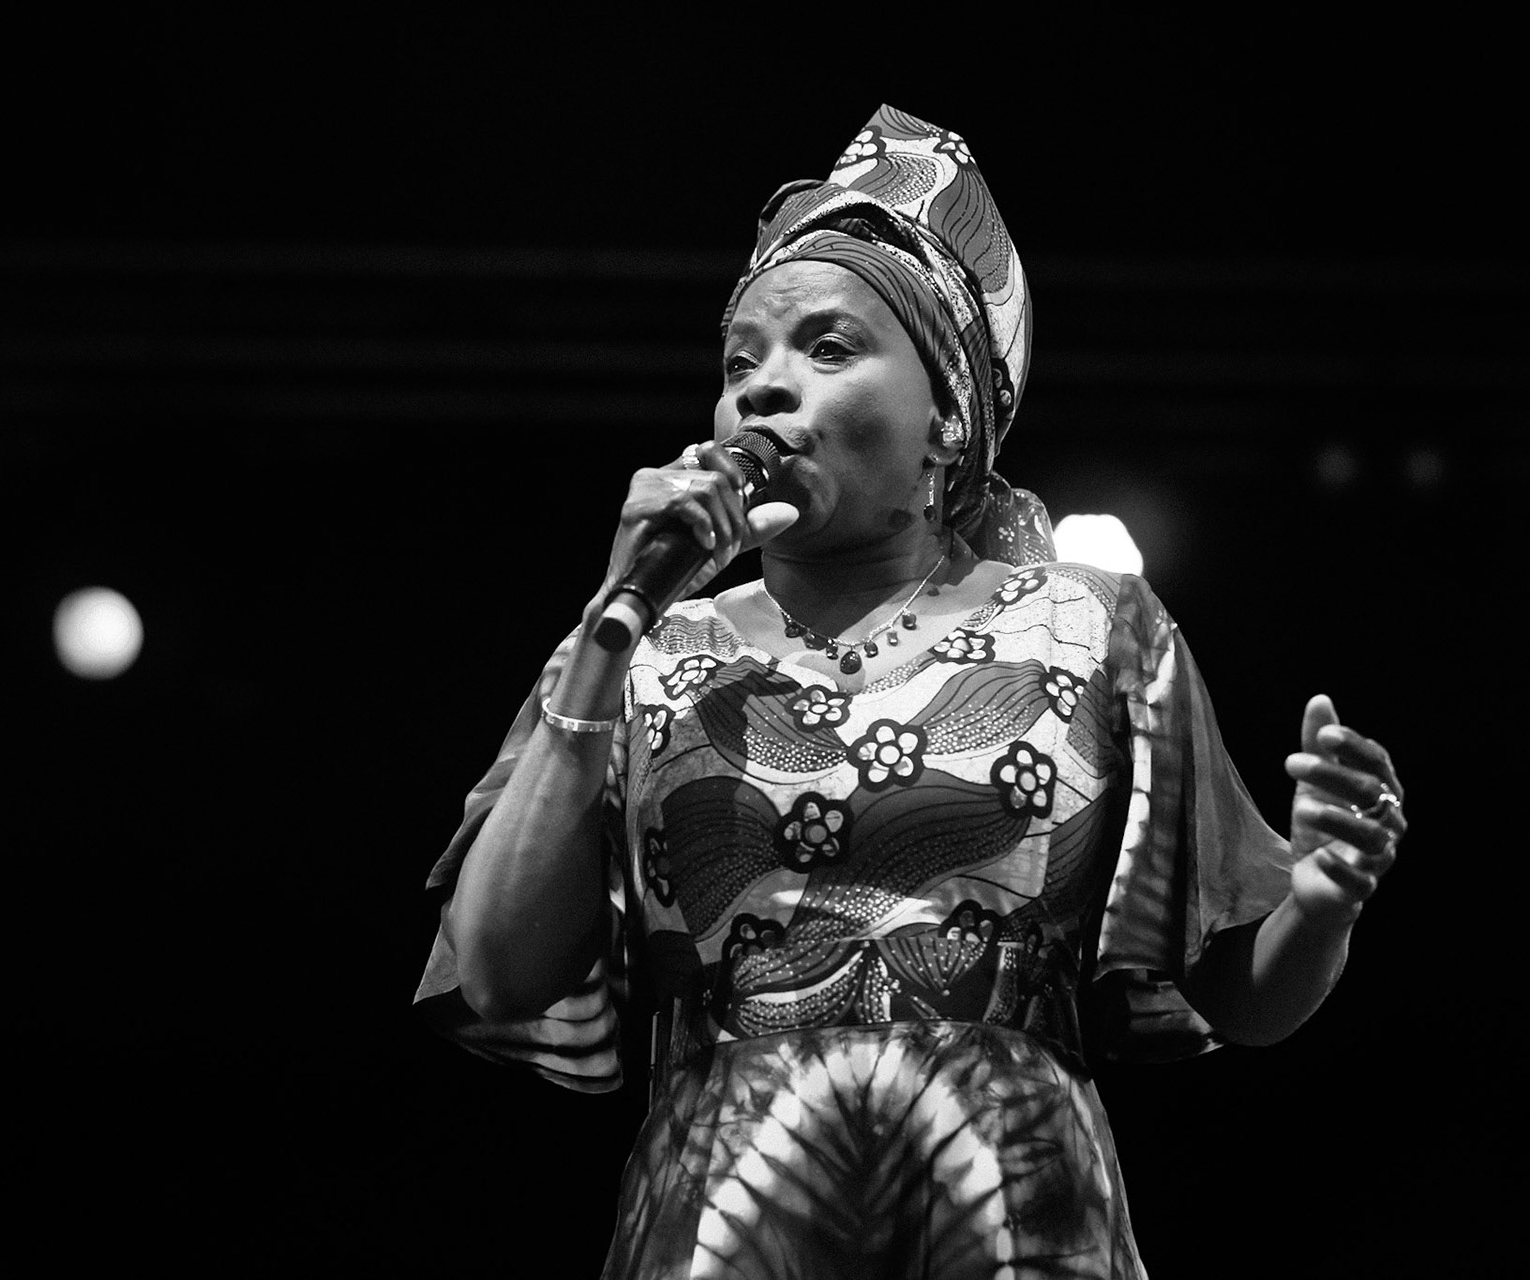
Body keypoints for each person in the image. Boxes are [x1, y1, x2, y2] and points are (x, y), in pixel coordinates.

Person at [412, 104, 1407, 1279]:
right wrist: (606, 625)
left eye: (827, 348)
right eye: (741, 363)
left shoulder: (1090, 628)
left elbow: (1240, 996)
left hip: (1013, 1205)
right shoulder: (646, 652)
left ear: (947, 418)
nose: (764, 390)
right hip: (731, 1211)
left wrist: (1321, 904)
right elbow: (500, 971)